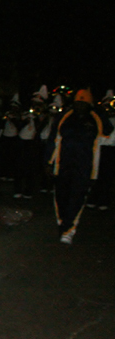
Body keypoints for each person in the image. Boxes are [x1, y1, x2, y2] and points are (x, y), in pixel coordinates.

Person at [49, 89, 112, 244]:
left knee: (77, 197)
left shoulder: (95, 118)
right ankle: (63, 222)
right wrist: (48, 162)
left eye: (84, 103)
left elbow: (108, 131)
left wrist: (99, 111)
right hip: (62, 163)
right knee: (61, 196)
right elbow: (54, 138)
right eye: (78, 102)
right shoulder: (65, 116)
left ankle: (69, 229)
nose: (80, 106)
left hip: (85, 166)